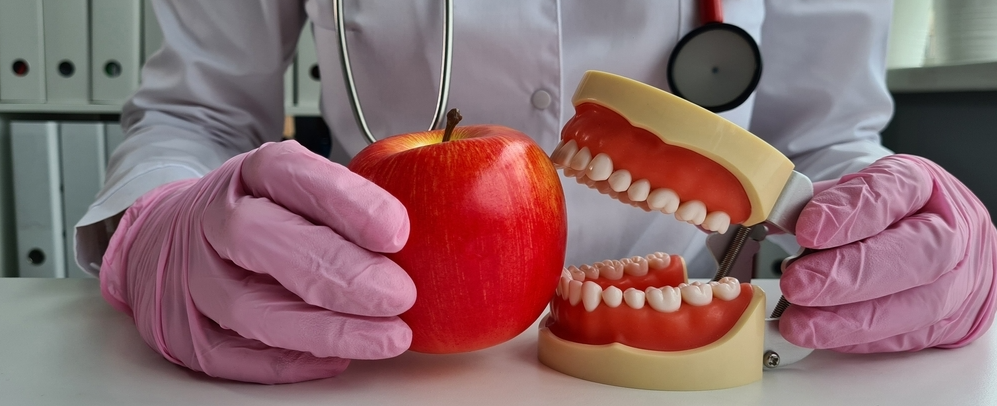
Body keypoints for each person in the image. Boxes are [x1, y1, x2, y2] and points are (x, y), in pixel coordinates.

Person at [75, 1, 996, 384]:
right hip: (384, 362)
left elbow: (822, 141)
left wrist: (898, 238)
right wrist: (158, 224)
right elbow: (192, 115)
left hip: (690, 366)